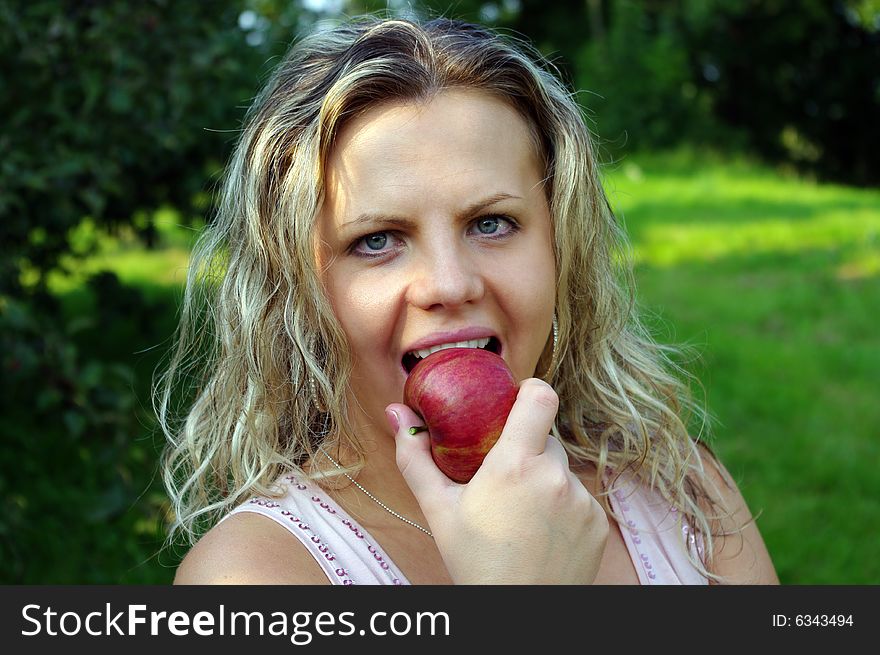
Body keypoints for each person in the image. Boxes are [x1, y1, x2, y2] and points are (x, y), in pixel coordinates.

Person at [157, 15, 779, 585]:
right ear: (295, 286)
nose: (451, 285)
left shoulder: (681, 494)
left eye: (491, 223)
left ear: (562, 247)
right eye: (377, 240)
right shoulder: (253, 577)